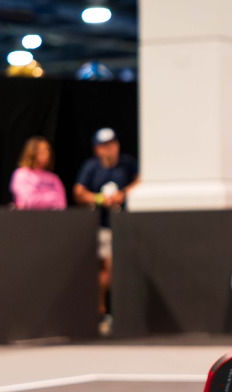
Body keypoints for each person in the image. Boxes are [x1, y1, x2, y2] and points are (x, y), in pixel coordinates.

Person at [73, 127, 139, 323]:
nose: (109, 149)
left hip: (126, 226)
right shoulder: (92, 167)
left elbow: (140, 180)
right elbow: (78, 192)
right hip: (103, 226)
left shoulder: (127, 163)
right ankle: (102, 311)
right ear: (97, 149)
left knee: (121, 269)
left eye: (112, 144)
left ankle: (121, 312)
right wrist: (100, 198)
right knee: (106, 269)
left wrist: (123, 194)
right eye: (104, 146)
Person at [10, 136, 66, 210]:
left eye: (48, 150)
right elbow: (28, 201)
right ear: (32, 152)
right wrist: (51, 197)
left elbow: (61, 204)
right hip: (27, 218)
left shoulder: (53, 178)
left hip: (51, 218)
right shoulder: (22, 174)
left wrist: (40, 198)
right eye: (42, 151)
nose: (47, 154)